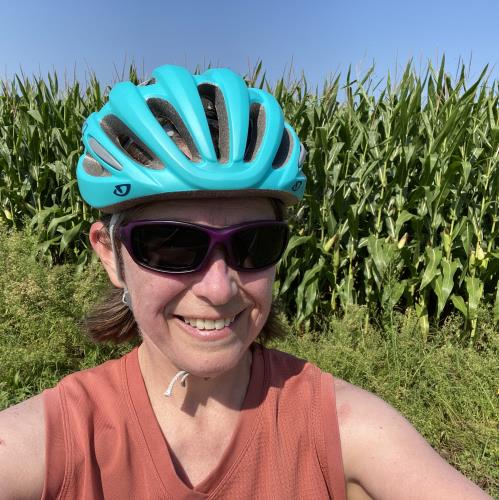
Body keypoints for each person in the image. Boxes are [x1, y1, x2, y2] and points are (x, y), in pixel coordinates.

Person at [0, 65, 491, 500]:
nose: (218, 288)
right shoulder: (57, 441)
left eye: (254, 244)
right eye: (172, 246)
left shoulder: (345, 431)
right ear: (110, 255)